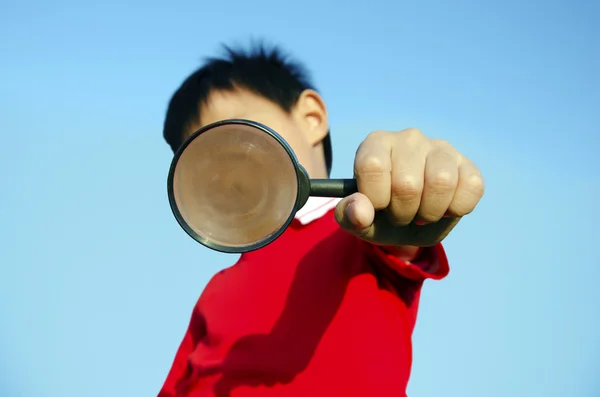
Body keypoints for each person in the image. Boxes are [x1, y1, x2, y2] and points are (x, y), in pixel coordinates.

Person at [158, 43, 485, 397]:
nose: (222, 175)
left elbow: (402, 227)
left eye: (235, 139)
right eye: (199, 166)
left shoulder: (364, 230)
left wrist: (409, 174)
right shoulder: (217, 289)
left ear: (312, 118)